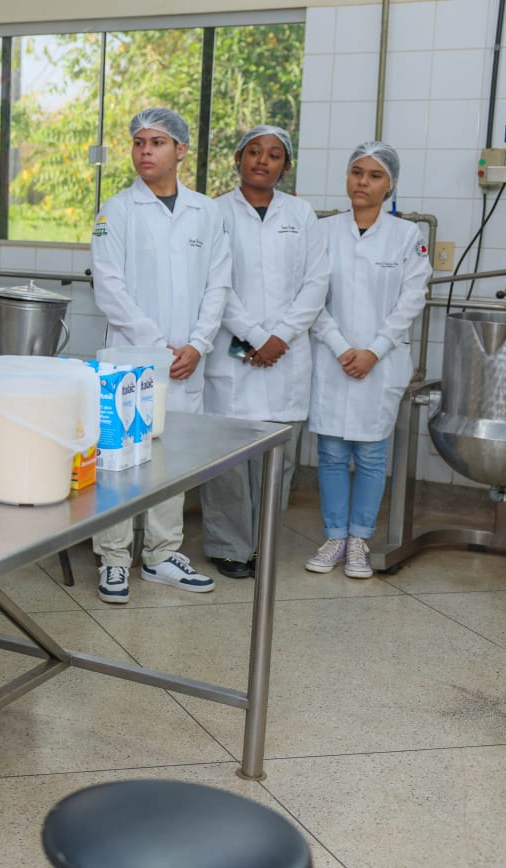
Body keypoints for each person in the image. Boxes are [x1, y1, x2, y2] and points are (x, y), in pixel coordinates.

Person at [89, 107, 231, 605]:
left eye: (157, 142)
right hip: (131, 356)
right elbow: (109, 289)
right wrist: (158, 345)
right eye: (138, 142)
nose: (145, 151)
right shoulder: (116, 210)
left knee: (170, 458)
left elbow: (219, 284)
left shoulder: (206, 212)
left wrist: (197, 344)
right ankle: (113, 558)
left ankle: (162, 554)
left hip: (187, 360)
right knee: (120, 458)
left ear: (181, 151)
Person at [201, 126, 329, 579]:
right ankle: (230, 546)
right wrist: (255, 336)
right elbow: (216, 283)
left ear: (286, 166)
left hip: (286, 354)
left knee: (279, 457)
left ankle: (265, 544)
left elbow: (316, 283)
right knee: (228, 460)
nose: (263, 160)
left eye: (274, 155)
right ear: (238, 158)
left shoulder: (303, 213)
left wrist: (281, 337)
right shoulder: (214, 212)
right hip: (234, 349)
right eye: (253, 152)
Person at [305, 141, 429, 579]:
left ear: (390, 184)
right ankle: (335, 536)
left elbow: (412, 300)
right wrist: (342, 347)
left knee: (373, 456)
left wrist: (374, 349)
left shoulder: (407, 236)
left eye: (375, 175)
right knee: (333, 453)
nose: (363, 182)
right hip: (333, 359)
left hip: (382, 361)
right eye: (357, 172)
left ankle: (359, 539)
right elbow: (310, 298)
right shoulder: (323, 232)